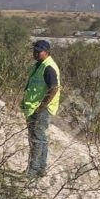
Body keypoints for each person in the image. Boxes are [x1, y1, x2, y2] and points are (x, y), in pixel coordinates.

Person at [21, 40, 61, 177]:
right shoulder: (37, 66)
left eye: (39, 51)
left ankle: (32, 171)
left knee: (36, 140)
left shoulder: (48, 67)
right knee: (40, 139)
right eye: (35, 50)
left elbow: (54, 88)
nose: (36, 53)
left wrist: (41, 107)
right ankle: (40, 169)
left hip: (42, 109)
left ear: (47, 52)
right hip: (33, 108)